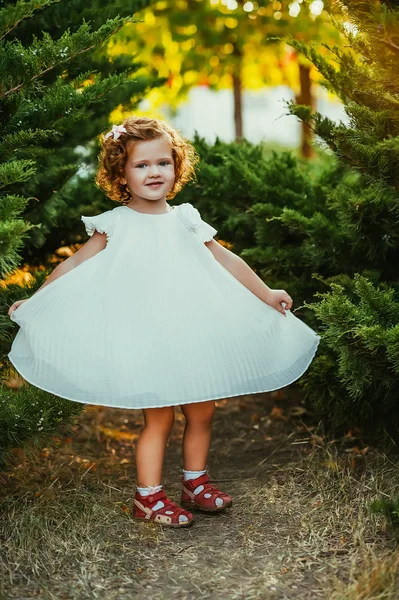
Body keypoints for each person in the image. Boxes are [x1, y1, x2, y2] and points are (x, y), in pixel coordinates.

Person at [7, 116, 320, 528]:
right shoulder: (114, 224)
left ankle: (195, 483)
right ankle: (149, 497)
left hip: (193, 331)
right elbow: (73, 265)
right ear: (121, 172)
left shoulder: (186, 218)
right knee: (160, 418)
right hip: (150, 335)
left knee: (202, 410)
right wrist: (37, 299)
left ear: (176, 167)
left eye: (162, 163)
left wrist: (266, 294)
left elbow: (226, 259)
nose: (154, 172)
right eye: (141, 165)